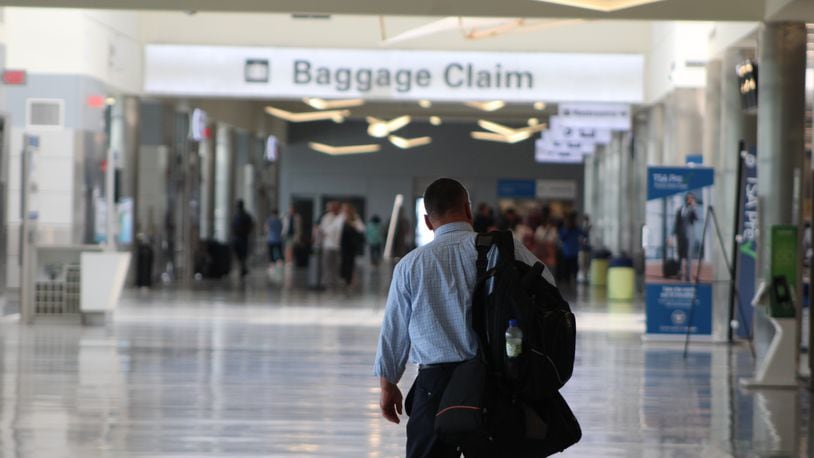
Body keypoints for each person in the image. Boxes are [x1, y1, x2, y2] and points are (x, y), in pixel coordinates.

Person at [374, 178, 555, 458]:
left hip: (434, 387)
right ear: (468, 210)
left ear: (427, 221)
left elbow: (394, 329)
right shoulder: (503, 250)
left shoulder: (410, 265)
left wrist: (388, 385)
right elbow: (548, 290)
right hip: (494, 381)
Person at [673, 192, 699, 282]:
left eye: (691, 198)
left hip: (689, 236)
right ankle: (680, 274)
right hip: (680, 236)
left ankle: (688, 277)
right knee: (680, 255)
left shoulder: (693, 209)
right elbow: (676, 224)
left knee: (688, 257)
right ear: (685, 199)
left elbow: (696, 218)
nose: (689, 200)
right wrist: (672, 236)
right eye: (688, 198)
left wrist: (694, 207)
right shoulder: (680, 210)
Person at [319, 201, 344, 288]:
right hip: (328, 245)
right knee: (327, 265)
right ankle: (327, 282)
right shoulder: (327, 217)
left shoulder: (341, 217)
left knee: (336, 265)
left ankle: (334, 281)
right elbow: (323, 230)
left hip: (337, 245)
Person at [558, 211, 584, 285]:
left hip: (574, 252)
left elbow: (584, 234)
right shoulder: (565, 229)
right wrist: (567, 229)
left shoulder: (576, 229)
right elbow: (562, 238)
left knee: (574, 269)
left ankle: (572, 280)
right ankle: (567, 281)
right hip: (567, 253)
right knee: (567, 270)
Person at [231, 199, 255, 278]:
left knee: (241, 254)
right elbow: (251, 226)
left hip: (240, 237)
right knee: (242, 254)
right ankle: (243, 268)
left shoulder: (237, 216)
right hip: (242, 237)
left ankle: (242, 268)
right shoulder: (244, 216)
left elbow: (233, 226)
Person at [533, 209, 559, 276]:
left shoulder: (553, 229)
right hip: (541, 254)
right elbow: (536, 240)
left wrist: (546, 243)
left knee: (551, 271)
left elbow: (554, 241)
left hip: (550, 253)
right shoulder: (539, 229)